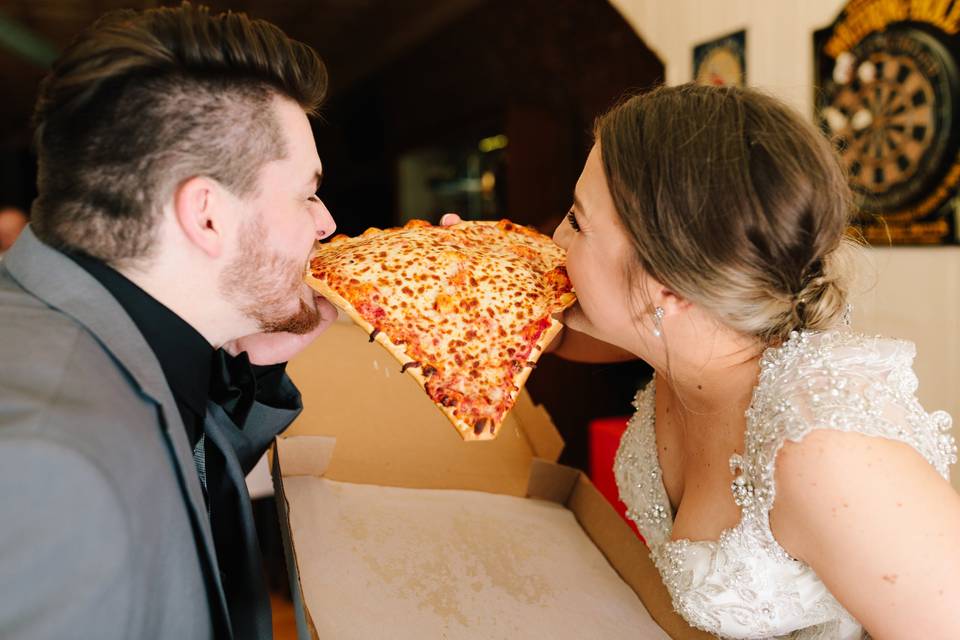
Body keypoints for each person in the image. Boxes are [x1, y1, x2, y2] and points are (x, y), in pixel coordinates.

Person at [546, 84, 960, 638]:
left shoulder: (828, 453)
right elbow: (555, 332)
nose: (554, 237)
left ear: (667, 282)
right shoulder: (689, 336)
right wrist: (458, 282)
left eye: (576, 220)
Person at [0, 4, 337, 639]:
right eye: (307, 193)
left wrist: (244, 365)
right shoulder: (44, 465)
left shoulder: (102, 333)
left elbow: (160, 488)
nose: (326, 225)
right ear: (207, 216)